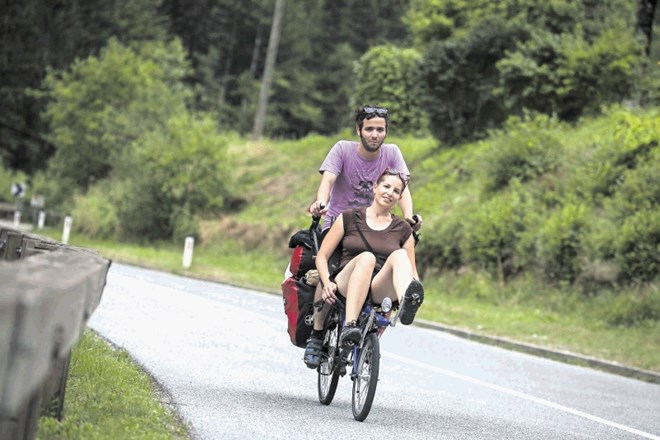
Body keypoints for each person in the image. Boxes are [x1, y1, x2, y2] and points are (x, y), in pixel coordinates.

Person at [303, 104, 422, 368]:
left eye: (380, 130)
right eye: (369, 129)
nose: (375, 134)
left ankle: (403, 304)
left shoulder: (392, 154)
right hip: (342, 224)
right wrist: (321, 203)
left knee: (389, 257)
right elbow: (328, 181)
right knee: (329, 272)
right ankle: (317, 334)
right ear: (359, 130)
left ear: (386, 132)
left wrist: (409, 217)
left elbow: (402, 188)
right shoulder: (343, 150)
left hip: (379, 227)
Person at [315, 169, 424, 347]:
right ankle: (350, 326)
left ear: (399, 198)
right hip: (346, 282)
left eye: (396, 191)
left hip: (377, 287)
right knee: (366, 257)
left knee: (400, 255)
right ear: (375, 187)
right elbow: (322, 257)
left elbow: (411, 271)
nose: (390, 193)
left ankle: (405, 301)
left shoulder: (403, 229)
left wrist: (409, 294)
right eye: (386, 186)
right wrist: (327, 282)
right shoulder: (349, 217)